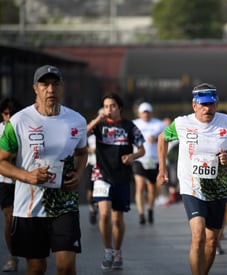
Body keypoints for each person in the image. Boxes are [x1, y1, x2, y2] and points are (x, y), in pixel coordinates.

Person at [0, 65, 88, 275]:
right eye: (45, 84)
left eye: (55, 84)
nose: (50, 89)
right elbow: (2, 161)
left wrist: (78, 173)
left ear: (62, 88)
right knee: (36, 268)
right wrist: (26, 176)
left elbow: (82, 152)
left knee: (66, 267)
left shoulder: (77, 120)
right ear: (35, 88)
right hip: (30, 208)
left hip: (65, 204)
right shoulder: (18, 121)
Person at [157, 83, 227, 275]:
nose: (208, 109)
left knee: (211, 241)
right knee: (198, 236)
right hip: (192, 186)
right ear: (194, 105)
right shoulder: (182, 123)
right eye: (204, 104)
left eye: (212, 104)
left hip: (219, 189)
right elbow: (162, 139)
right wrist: (162, 169)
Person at [87, 93, 145, 271]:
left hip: (121, 175)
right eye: (105, 106)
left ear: (119, 107)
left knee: (117, 219)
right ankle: (108, 251)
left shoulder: (129, 127)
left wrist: (132, 156)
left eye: (112, 106)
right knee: (104, 214)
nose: (109, 109)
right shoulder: (100, 125)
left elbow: (142, 149)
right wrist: (98, 118)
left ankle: (118, 251)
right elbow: (83, 132)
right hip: (101, 175)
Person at [132, 102, 166, 224]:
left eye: (147, 112)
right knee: (140, 186)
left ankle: (150, 209)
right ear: (139, 113)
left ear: (151, 112)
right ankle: (141, 213)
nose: (145, 115)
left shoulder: (159, 124)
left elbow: (167, 140)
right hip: (139, 159)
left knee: (152, 189)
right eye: (143, 112)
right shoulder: (134, 124)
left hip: (154, 159)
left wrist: (156, 139)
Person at [0, 97, 22, 272]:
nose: (9, 117)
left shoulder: (23, 128)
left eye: (12, 113)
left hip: (26, 181)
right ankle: (13, 256)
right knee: (9, 220)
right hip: (5, 182)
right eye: (6, 113)